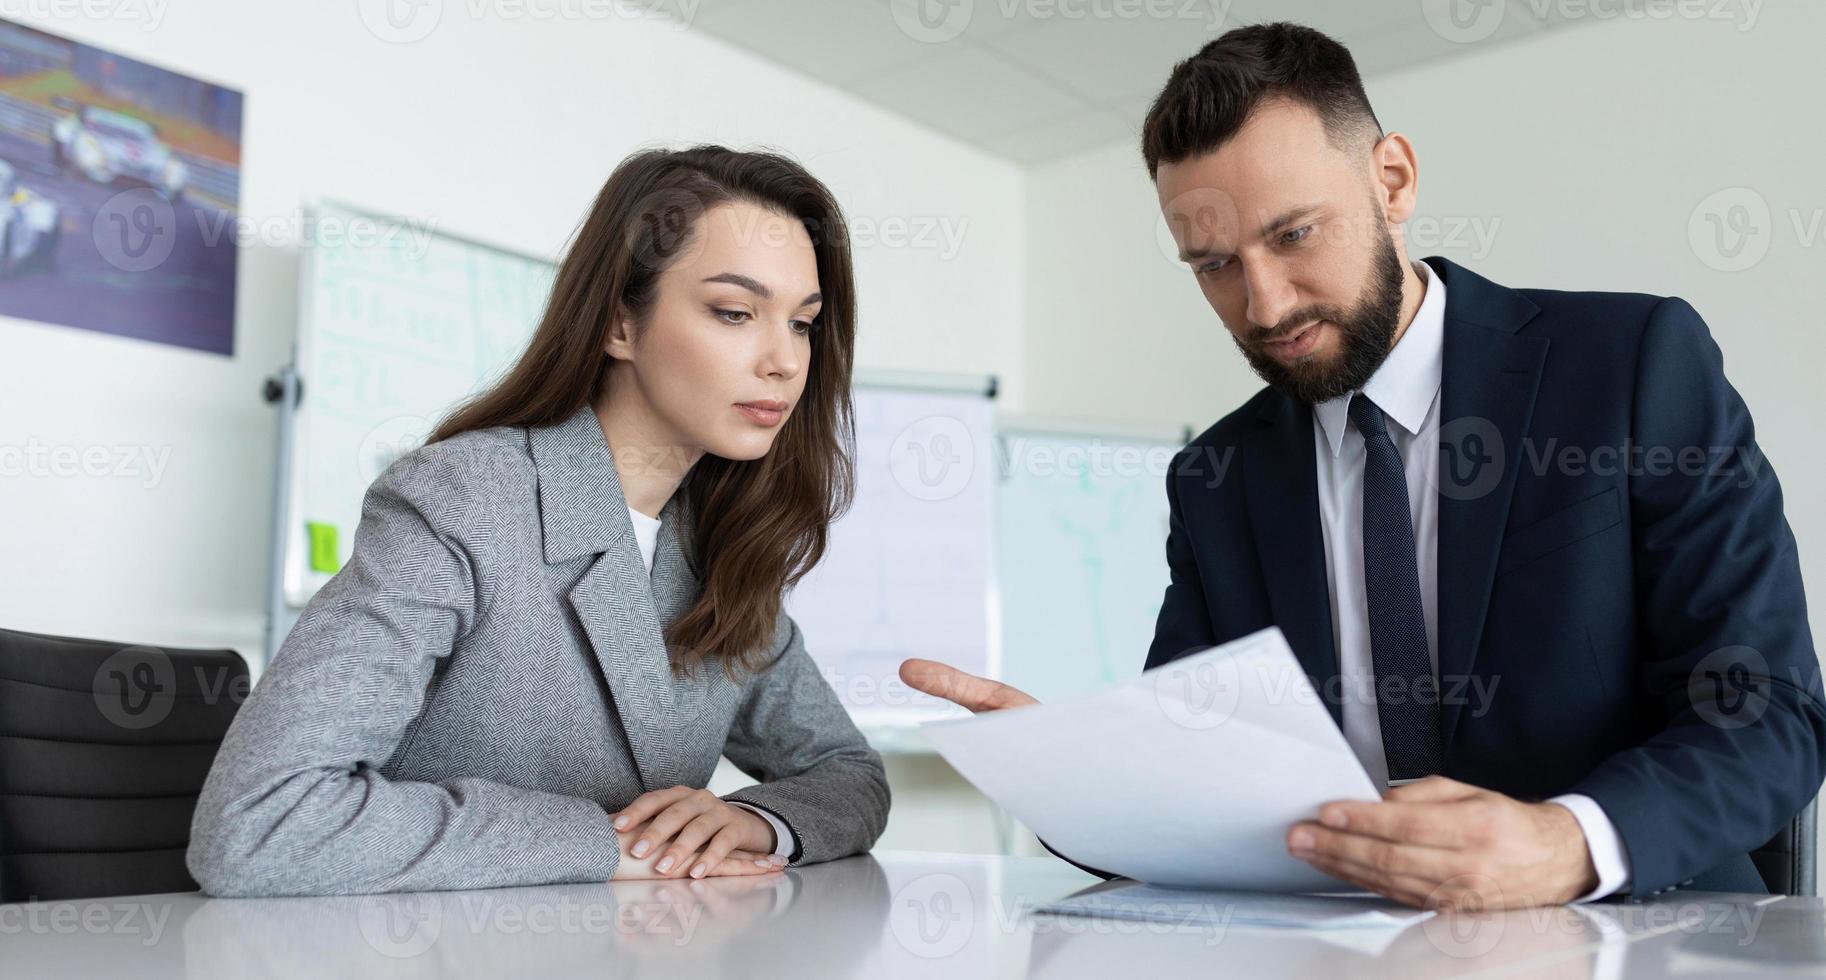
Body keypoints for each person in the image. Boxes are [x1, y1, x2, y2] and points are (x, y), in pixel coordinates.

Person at [903, 23, 1824, 910]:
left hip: (1633, 933)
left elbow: (1769, 712)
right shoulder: (1217, 477)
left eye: (1294, 234)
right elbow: (1192, 773)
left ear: (1392, 180)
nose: (1263, 305)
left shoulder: (1630, 365)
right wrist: (1069, 775)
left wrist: (1565, 842)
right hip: (1344, 945)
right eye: (1214, 264)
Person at [188, 146, 889, 896]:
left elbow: (847, 775)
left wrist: (758, 822)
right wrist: (610, 841)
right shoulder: (465, 498)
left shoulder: (721, 543)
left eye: (805, 324)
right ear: (620, 323)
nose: (784, 360)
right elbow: (258, 822)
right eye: (735, 313)